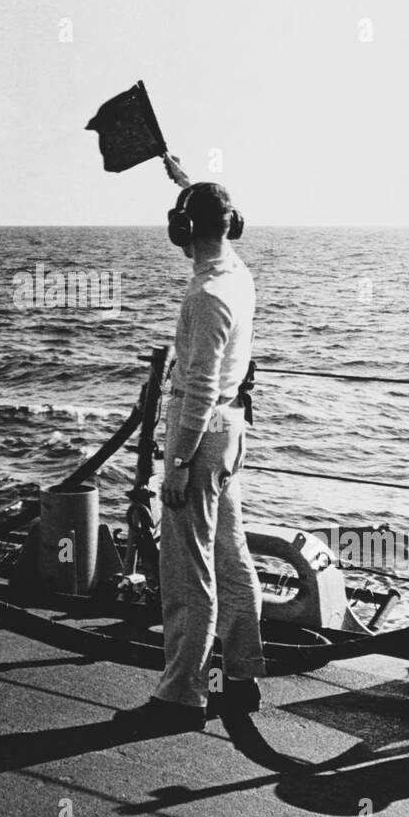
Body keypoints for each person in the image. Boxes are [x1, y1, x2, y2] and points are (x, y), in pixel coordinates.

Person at [114, 182, 265, 735]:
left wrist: (175, 467)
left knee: (186, 569)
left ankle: (181, 694)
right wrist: (188, 182)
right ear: (232, 225)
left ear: (183, 231)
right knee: (229, 550)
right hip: (232, 428)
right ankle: (243, 674)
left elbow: (198, 387)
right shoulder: (237, 275)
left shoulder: (205, 298)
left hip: (199, 433)